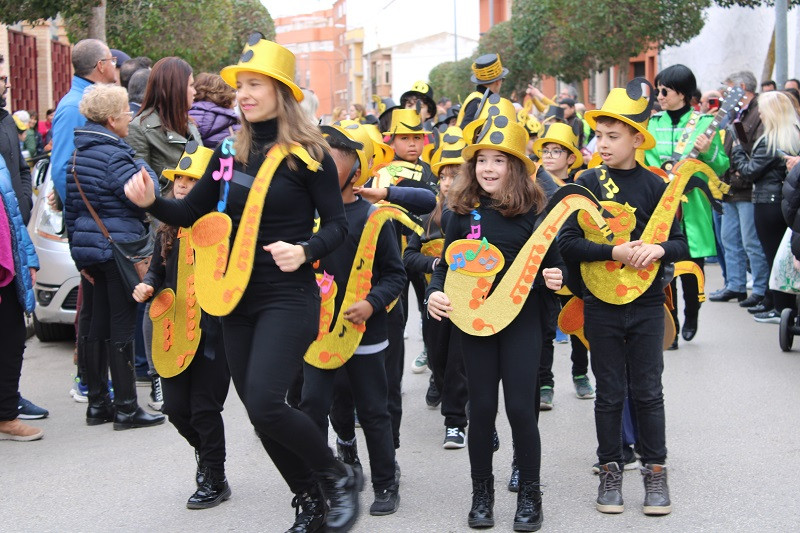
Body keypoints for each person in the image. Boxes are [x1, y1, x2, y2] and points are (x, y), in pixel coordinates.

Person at [123, 33, 359, 533]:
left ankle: (334, 476)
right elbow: (188, 212)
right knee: (259, 412)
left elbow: (338, 227)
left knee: (270, 402)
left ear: (281, 91)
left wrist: (306, 250)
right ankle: (309, 499)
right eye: (241, 86)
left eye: (255, 84)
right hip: (232, 297)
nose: (245, 94)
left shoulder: (309, 154)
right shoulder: (227, 151)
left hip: (287, 295)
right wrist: (148, 203)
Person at [427, 110, 564, 531]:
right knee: (482, 410)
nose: (488, 168)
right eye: (482, 160)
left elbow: (555, 268)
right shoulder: (459, 212)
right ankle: (481, 493)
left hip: (521, 321)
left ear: (516, 167)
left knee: (522, 410)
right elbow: (445, 266)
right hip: (475, 325)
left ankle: (530, 494)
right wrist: (435, 291)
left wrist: (554, 278)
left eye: (499, 160)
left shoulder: (535, 212)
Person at [560, 78, 689, 517]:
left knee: (649, 391)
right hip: (600, 305)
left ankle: (656, 470)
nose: (603, 143)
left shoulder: (656, 187)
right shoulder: (586, 182)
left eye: (613, 136)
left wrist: (658, 249)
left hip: (649, 304)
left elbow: (681, 243)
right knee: (609, 392)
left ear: (638, 138)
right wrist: (613, 251)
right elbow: (568, 244)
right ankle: (610, 467)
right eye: (599, 135)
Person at [300, 121, 406, 517]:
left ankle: (385, 482)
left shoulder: (372, 217)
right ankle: (321, 482)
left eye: (332, 162)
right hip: (315, 334)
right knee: (314, 407)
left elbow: (395, 274)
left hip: (366, 332)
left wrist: (372, 304)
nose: (322, 168)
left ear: (355, 173)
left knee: (374, 410)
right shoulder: (304, 215)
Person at [133, 142, 232, 509]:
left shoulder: (223, 230)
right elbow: (157, 271)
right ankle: (207, 457)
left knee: (205, 407)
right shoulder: (168, 228)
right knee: (176, 408)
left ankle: (214, 475)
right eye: (180, 180)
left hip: (213, 332)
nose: (185, 186)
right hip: (174, 330)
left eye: (194, 180)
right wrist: (147, 285)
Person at [65, 83, 165, 430]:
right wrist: (136, 158)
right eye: (126, 112)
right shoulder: (116, 155)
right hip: (118, 249)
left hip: (90, 251)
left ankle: (97, 404)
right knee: (122, 323)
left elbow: (70, 211)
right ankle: (126, 408)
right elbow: (147, 189)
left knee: (94, 324)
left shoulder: (77, 153)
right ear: (111, 119)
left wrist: (79, 259)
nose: (131, 117)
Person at [645, 64, 729, 348]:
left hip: (693, 204)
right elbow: (646, 161)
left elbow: (722, 165)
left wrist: (709, 152)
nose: (659, 95)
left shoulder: (704, 124)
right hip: (661, 205)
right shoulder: (652, 124)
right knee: (665, 266)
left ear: (681, 92)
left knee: (693, 265)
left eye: (664, 90)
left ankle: (693, 312)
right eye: (658, 89)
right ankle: (674, 326)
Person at [404, 126, 469, 448]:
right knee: (439, 355)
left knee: (460, 359)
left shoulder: (474, 215)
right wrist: (433, 263)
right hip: (434, 299)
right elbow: (408, 256)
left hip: (467, 300)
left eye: (455, 175)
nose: (447, 182)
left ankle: (456, 420)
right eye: (443, 176)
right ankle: (439, 380)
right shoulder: (428, 216)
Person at [530, 123, 594, 407]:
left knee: (578, 323)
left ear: (571, 158)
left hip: (575, 262)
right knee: (545, 326)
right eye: (546, 150)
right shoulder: (534, 185)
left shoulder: (582, 184)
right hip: (545, 264)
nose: (550, 156)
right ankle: (545, 382)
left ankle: (580, 374)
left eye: (558, 151)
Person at [730, 91, 800, 323]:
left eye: (762, 109)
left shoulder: (771, 140)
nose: (759, 113)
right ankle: (775, 303)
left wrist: (739, 149)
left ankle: (781, 309)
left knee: (774, 258)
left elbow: (749, 171)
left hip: (767, 202)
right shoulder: (793, 135)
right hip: (786, 201)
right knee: (784, 257)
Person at [710, 71, 770, 310]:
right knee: (729, 239)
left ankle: (759, 289)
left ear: (741, 88)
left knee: (750, 242)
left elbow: (749, 146)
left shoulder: (758, 111)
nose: (725, 93)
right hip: (730, 186)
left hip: (745, 186)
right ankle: (734, 284)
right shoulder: (734, 113)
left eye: (728, 88)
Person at [0, 155, 42, 441]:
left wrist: (28, 258)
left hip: (8, 259)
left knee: (13, 338)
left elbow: (12, 209)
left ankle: (6, 415)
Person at [51, 38, 118, 205]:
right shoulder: (74, 107)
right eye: (112, 60)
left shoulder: (88, 101)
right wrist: (83, 212)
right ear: (101, 65)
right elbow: (61, 170)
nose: (114, 66)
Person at [127, 57, 202, 187]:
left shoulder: (189, 124)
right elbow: (140, 189)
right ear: (174, 89)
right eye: (190, 85)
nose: (195, 92)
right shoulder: (139, 129)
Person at [0, 73, 33, 225]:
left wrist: (24, 203)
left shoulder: (8, 121)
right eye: (2, 79)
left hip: (17, 224)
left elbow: (23, 169)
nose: (8, 85)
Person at [457, 54, 508, 129]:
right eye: (502, 79)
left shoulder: (480, 98)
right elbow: (465, 131)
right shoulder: (477, 101)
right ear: (498, 81)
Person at [189, 73, 240, 148]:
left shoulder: (180, 120)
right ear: (225, 97)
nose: (235, 105)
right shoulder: (234, 126)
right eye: (233, 99)